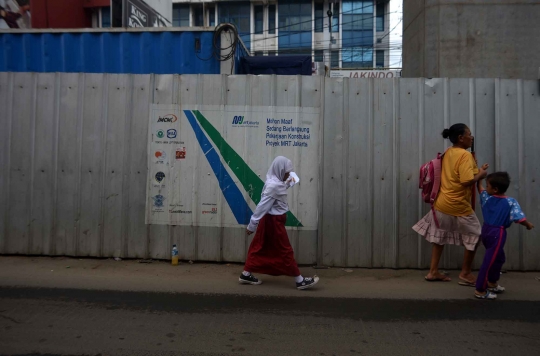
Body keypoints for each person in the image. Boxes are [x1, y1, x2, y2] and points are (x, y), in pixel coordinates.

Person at [413, 123, 489, 285]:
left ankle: (433, 272)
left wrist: (478, 171)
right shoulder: (465, 155)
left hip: (442, 203)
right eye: (469, 134)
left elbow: (459, 174)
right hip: (458, 205)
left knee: (439, 238)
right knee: (474, 236)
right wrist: (481, 174)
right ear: (461, 138)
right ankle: (465, 273)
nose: (471, 137)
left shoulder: (448, 153)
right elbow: (466, 180)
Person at [239, 156, 319, 290]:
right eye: (286, 172)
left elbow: (292, 180)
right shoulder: (274, 186)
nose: (288, 175)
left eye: (288, 172)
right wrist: (252, 225)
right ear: (280, 170)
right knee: (285, 250)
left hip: (271, 220)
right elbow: (262, 206)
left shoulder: (276, 181)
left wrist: (290, 173)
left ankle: (246, 273)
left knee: (259, 246)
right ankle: (299, 280)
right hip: (273, 223)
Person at [474, 172, 534, 299]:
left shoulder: (487, 197)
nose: (486, 187)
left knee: (499, 258)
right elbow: (520, 219)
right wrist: (528, 225)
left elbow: (480, 189)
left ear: (495, 189)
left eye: (488, 185)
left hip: (486, 231)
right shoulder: (510, 202)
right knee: (489, 261)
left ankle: (492, 282)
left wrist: (478, 179)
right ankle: (480, 290)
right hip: (497, 233)